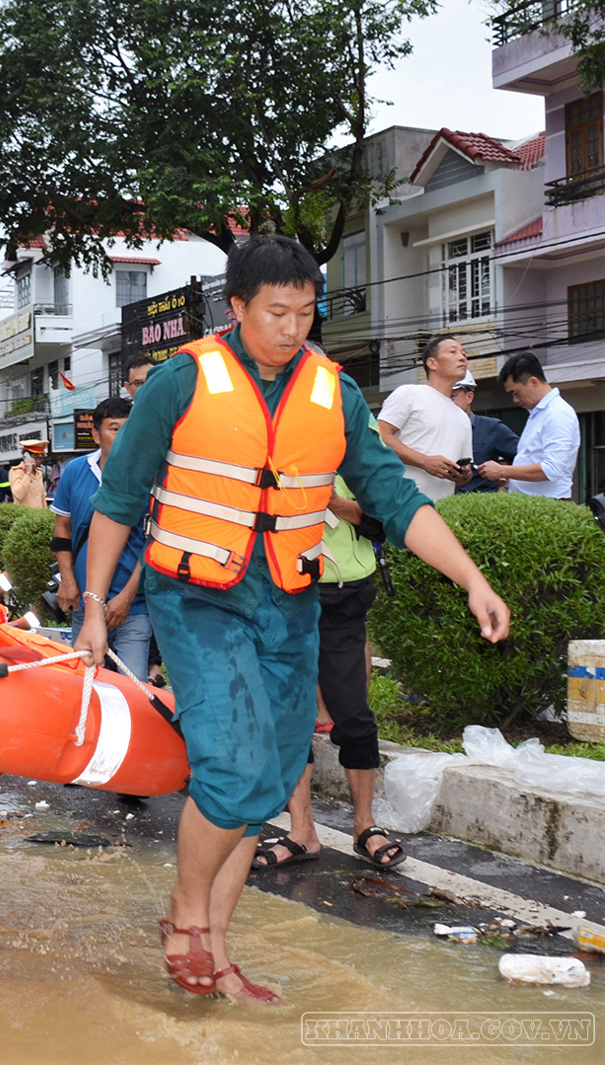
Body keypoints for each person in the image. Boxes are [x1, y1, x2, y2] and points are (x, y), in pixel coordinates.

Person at [75, 235, 508, 1003]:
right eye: (276, 311)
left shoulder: (333, 392)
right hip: (197, 597)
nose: (291, 327)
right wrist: (93, 608)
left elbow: (394, 497)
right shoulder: (182, 380)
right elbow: (119, 499)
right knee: (232, 769)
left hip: (289, 601)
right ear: (238, 306)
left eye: (305, 313)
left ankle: (216, 945)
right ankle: (186, 915)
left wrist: (471, 576)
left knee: (269, 782)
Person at [249, 476, 403, 873]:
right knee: (290, 715)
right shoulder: (266, 444)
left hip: (344, 594)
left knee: (353, 714)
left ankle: (365, 825)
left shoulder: (356, 445)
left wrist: (334, 502)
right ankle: (302, 832)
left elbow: (384, 519)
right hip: (281, 589)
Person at [51, 397, 151, 681]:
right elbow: (62, 529)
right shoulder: (75, 471)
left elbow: (153, 542)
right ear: (96, 435)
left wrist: (127, 597)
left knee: (134, 686)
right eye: (115, 429)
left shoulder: (150, 475)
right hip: (84, 603)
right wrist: (68, 581)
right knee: (85, 683)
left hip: (134, 606)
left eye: (129, 428)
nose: (123, 436)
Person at [376, 336, 474, 501]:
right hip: (399, 502)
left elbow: (466, 472)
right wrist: (424, 461)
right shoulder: (409, 394)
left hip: (441, 508)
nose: (462, 357)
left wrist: (463, 475)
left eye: (464, 354)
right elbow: (380, 435)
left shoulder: (463, 417)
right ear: (432, 363)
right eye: (453, 352)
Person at [478, 353, 580, 498]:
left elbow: (552, 469)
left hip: (547, 503)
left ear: (533, 382)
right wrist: (508, 478)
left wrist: (503, 471)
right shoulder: (539, 413)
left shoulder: (557, 413)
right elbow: (533, 460)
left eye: (516, 392)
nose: (515, 400)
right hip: (531, 501)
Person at [451, 372, 519, 494]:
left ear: (469, 397)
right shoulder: (435, 431)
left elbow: (524, 458)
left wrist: (504, 474)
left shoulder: (492, 428)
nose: (447, 402)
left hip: (481, 502)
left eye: (452, 396)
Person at [9, 440, 48, 508]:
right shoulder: (17, 471)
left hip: (38, 513)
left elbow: (42, 499)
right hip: (24, 513)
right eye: (35, 458)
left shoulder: (39, 473)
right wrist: (28, 474)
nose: (38, 461)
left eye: (41, 458)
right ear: (26, 456)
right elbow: (18, 495)